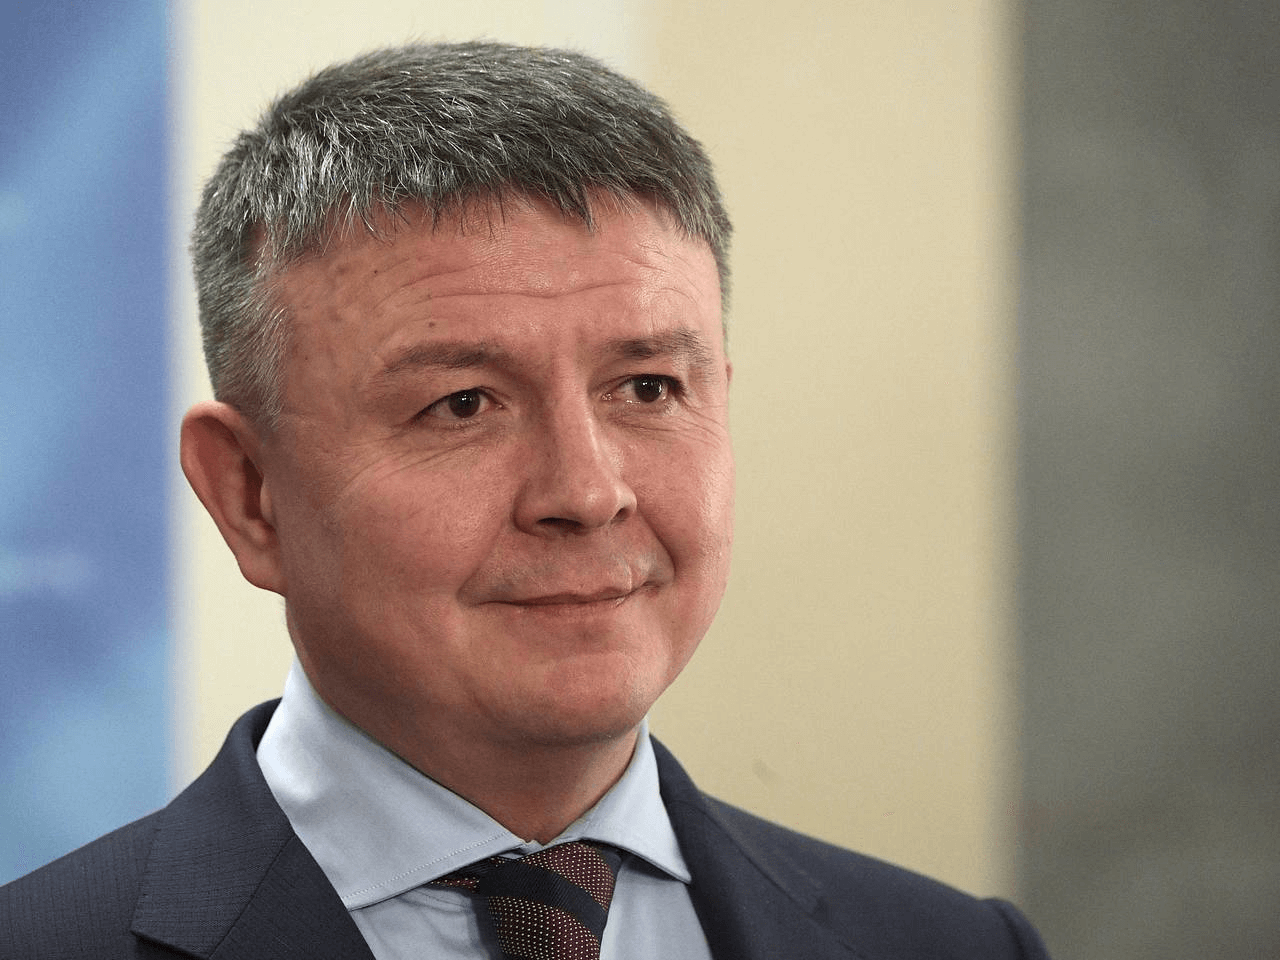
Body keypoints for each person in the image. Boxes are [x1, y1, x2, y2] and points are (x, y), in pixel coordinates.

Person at [0, 42, 1051, 959]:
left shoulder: (952, 946)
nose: (586, 493)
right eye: (462, 405)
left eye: (648, 388)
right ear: (249, 495)